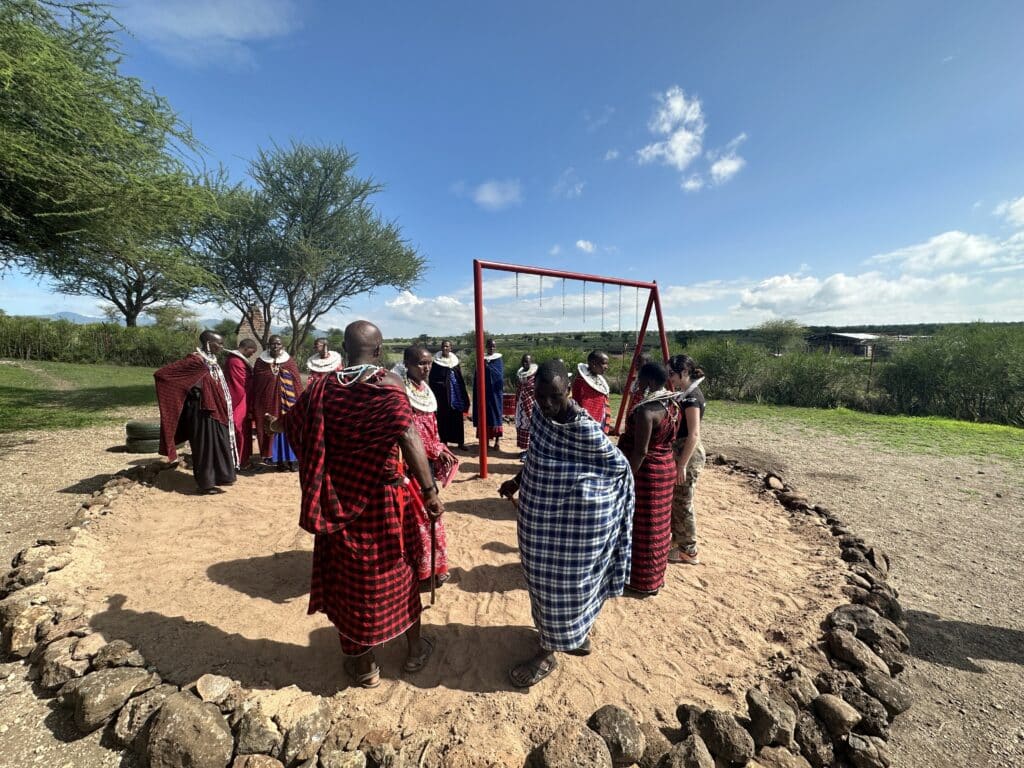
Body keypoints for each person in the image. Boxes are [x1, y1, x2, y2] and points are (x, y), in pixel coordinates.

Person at [267, 321, 442, 688]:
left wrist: (272, 427)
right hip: (384, 500)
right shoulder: (388, 388)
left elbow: (289, 424)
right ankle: (413, 651)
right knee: (399, 570)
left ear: (344, 349)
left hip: (337, 500)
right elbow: (408, 435)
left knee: (349, 581)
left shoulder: (321, 390)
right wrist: (429, 492)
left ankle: (364, 667)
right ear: (378, 351)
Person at [499, 360, 634, 687]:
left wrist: (587, 499)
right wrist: (517, 481)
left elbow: (620, 470)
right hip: (537, 525)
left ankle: (547, 653)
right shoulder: (542, 418)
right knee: (543, 587)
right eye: (542, 396)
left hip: (574, 527)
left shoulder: (583, 428)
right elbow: (538, 456)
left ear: (569, 392)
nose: (547, 404)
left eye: (555, 396)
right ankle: (572, 635)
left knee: (566, 587)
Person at [617, 362, 680, 596]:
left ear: (651, 382)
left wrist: (626, 478)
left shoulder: (647, 411)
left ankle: (640, 581)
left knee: (643, 526)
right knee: (659, 525)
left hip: (646, 474)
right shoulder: (673, 404)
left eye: (641, 380)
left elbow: (641, 451)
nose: (638, 384)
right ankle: (654, 578)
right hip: (665, 469)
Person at [154, 331, 237, 494]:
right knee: (204, 446)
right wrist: (190, 391)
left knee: (219, 442)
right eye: (218, 344)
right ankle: (205, 484)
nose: (221, 347)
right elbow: (162, 375)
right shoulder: (194, 361)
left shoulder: (211, 361)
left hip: (214, 410)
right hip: (200, 411)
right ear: (207, 343)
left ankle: (221, 477)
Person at [402, 344, 457, 585]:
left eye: (428, 363)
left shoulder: (423, 389)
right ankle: (423, 570)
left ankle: (434, 567)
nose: (426, 368)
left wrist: (440, 447)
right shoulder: (401, 392)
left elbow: (430, 428)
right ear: (407, 365)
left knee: (429, 516)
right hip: (408, 465)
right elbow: (409, 433)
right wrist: (435, 449)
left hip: (426, 465)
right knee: (419, 519)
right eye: (421, 363)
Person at [667, 355, 707, 565]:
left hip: (687, 455)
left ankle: (689, 551)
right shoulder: (685, 394)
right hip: (681, 453)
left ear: (684, 372)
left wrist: (682, 464)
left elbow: (693, 434)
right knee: (677, 501)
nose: (669, 377)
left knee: (683, 503)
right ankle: (679, 542)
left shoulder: (692, 398)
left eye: (672, 373)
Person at [251, 335, 304, 471]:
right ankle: (280, 462)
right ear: (268, 346)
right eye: (272, 344)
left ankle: (293, 462)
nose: (275, 346)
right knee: (274, 429)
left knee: (290, 430)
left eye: (278, 344)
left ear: (282, 346)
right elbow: (257, 385)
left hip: (289, 404)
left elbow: (297, 383)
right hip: (270, 404)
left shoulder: (289, 362)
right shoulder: (261, 363)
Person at [428, 340, 470, 449]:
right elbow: (433, 380)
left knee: (457, 416)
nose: (445, 348)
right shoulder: (437, 362)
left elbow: (459, 378)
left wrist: (462, 392)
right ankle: (444, 441)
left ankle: (460, 442)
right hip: (442, 396)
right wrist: (443, 385)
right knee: (443, 417)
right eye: (443, 346)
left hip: (455, 394)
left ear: (451, 348)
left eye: (447, 346)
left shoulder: (455, 361)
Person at [223, 338, 258, 469]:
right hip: (238, 400)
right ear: (245, 348)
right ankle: (239, 461)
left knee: (244, 429)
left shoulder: (238, 360)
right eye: (252, 351)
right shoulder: (235, 362)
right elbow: (239, 384)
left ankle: (244, 459)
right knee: (239, 429)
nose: (252, 354)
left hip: (244, 400)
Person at [473, 338, 504, 450]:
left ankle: (497, 441)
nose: (491, 348)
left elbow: (499, 376)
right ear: (486, 347)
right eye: (490, 346)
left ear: (495, 347)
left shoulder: (498, 359)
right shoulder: (481, 359)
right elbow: (477, 376)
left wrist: (488, 368)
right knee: (484, 415)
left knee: (495, 414)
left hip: (495, 394)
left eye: (493, 346)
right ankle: (485, 441)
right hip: (484, 393)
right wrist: (482, 366)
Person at [572, 351, 611, 432]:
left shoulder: (598, 379)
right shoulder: (581, 382)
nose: (606, 367)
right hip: (586, 425)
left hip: (600, 420)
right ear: (593, 364)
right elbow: (580, 405)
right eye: (604, 364)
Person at [514, 353, 538, 455]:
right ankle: (525, 450)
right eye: (523, 361)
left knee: (531, 427)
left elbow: (535, 390)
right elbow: (519, 389)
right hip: (521, 406)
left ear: (531, 362)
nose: (525, 363)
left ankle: (530, 451)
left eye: (527, 361)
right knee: (522, 426)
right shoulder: (520, 375)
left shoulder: (534, 376)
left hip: (531, 405)